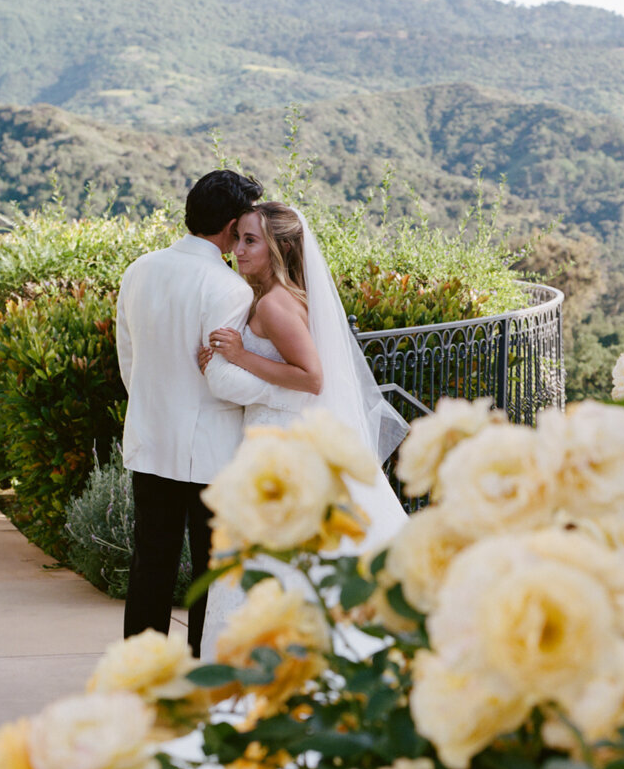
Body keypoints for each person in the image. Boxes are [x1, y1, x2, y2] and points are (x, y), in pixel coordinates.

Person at [197, 201, 409, 658]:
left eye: (250, 241)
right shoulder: (276, 297)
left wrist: (239, 356)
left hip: (282, 444)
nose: (238, 250)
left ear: (282, 249)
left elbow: (312, 378)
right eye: (239, 239)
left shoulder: (274, 304)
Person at [116, 172, 309, 656]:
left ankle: (140, 671)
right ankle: (203, 668)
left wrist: (154, 404)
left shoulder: (139, 269)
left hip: (149, 438)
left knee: (150, 565)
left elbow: (127, 359)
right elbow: (223, 380)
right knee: (211, 571)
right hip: (211, 451)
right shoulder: (229, 287)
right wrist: (277, 389)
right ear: (229, 226)